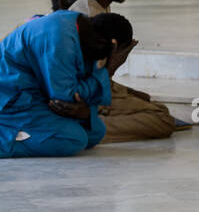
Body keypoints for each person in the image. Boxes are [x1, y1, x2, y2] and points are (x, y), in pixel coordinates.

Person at [70, 0, 184, 141]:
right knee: (163, 119)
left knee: (149, 102)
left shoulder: (96, 7)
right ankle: (92, 127)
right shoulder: (89, 18)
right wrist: (116, 64)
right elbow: (92, 80)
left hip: (94, 86)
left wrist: (128, 92)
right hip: (85, 94)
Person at [0, 11, 133, 158]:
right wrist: (108, 70)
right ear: (106, 44)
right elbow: (65, 99)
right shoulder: (60, 41)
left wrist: (86, 112)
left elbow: (77, 91)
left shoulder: (82, 32)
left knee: (96, 132)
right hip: (11, 100)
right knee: (73, 139)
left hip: (35, 96)